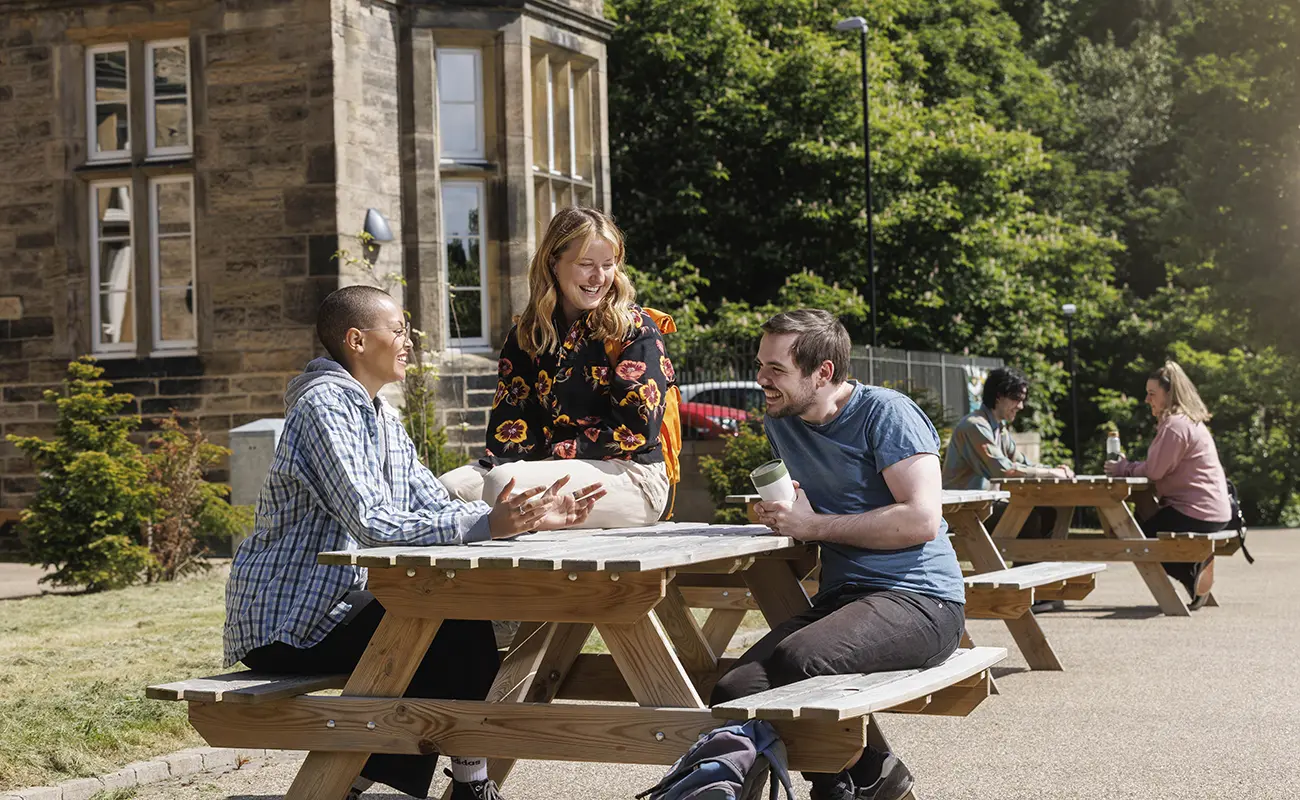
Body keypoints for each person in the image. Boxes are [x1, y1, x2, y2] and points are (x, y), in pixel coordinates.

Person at [223, 285, 604, 800]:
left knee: (450, 618)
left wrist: (524, 517)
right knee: (447, 623)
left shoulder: (378, 414)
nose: (410, 342)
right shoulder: (324, 407)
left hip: (341, 608)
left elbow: (433, 505)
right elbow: (372, 522)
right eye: (399, 330)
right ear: (357, 340)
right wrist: (492, 524)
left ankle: (363, 779)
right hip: (292, 622)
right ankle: (459, 784)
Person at [711, 310, 966, 800]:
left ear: (823, 372)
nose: (761, 379)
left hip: (922, 601)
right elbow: (819, 502)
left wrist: (814, 525)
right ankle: (868, 773)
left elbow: (921, 520)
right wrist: (784, 514)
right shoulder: (782, 421)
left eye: (776, 369)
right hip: (846, 599)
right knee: (733, 691)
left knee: (800, 658)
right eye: (760, 364)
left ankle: (843, 786)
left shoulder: (887, 414)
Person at [440, 207, 674, 528]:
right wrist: (499, 464)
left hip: (632, 475)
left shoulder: (633, 328)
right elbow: (513, 425)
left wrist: (555, 454)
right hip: (551, 465)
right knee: (445, 491)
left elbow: (635, 431)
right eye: (585, 265)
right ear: (554, 263)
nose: (599, 277)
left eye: (608, 266)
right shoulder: (528, 333)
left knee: (504, 486)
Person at [1104, 361, 1231, 609]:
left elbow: (1154, 471)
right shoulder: (1188, 421)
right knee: (1144, 527)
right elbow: (1158, 467)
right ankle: (1194, 569)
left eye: (1152, 394)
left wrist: (1122, 468)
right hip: (1213, 511)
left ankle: (1192, 573)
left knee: (1136, 540)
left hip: (1197, 513)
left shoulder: (1175, 426)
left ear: (1169, 394)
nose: (1147, 399)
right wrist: (1130, 467)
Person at [942, 366, 1074, 539]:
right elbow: (1004, 471)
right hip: (961, 511)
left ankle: (1039, 564)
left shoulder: (998, 429)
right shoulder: (975, 426)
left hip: (981, 506)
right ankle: (1029, 565)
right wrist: (1051, 473)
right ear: (998, 396)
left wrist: (1058, 470)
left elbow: (1024, 463)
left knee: (1049, 512)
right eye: (1016, 399)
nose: (1020, 406)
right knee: (1029, 518)